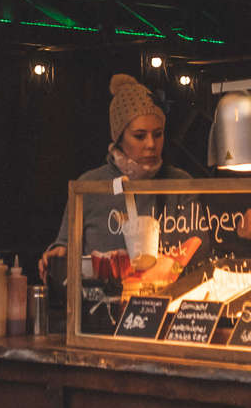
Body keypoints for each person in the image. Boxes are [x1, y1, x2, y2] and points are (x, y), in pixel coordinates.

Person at [38, 74, 185, 282]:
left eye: (158, 134)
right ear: (119, 137)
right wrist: (57, 255)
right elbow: (65, 247)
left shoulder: (181, 185)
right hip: (102, 308)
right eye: (140, 136)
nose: (151, 144)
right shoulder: (89, 187)